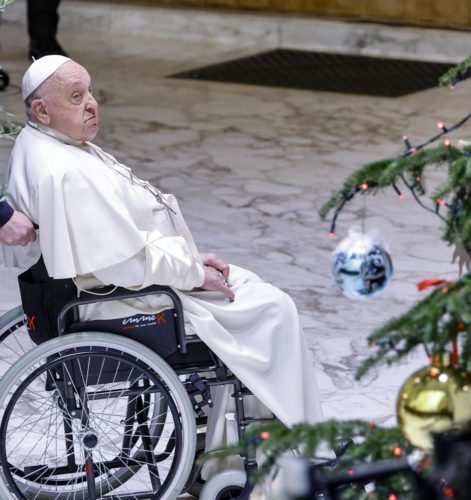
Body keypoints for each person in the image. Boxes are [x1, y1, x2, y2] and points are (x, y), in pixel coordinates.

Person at [2, 55, 325, 477]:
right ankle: (286, 455)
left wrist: (191, 261)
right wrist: (193, 272)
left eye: (91, 92)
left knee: (254, 291)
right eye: (76, 97)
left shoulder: (43, 144)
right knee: (272, 309)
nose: (93, 104)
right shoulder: (66, 172)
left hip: (110, 287)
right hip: (125, 301)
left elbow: (122, 247)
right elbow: (126, 265)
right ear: (42, 110)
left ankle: (251, 449)